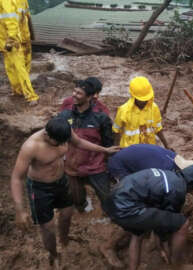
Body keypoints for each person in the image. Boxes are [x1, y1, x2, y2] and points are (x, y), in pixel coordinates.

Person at [10, 117, 119, 267]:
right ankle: (54, 254)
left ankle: (64, 240)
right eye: (58, 142)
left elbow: (79, 142)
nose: (62, 145)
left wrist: (104, 150)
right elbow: (16, 178)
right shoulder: (31, 147)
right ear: (47, 136)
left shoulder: (64, 132)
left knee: (67, 214)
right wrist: (19, 210)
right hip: (40, 188)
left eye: (64, 142)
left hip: (61, 181)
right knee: (48, 228)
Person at [100, 144, 193, 267]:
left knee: (145, 213)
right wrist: (162, 243)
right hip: (120, 167)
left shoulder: (175, 160)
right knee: (135, 213)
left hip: (131, 169)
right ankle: (109, 246)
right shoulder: (165, 170)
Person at [58, 77, 114, 212]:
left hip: (96, 166)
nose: (74, 95)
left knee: (107, 198)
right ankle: (83, 206)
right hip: (72, 167)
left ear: (89, 97)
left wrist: (107, 163)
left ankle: (111, 215)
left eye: (78, 93)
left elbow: (108, 143)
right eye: (74, 91)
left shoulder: (101, 118)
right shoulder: (65, 115)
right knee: (77, 199)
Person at [113, 76, 170, 149]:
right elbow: (116, 131)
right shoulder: (123, 110)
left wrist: (167, 145)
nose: (144, 101)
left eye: (146, 99)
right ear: (133, 96)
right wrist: (116, 150)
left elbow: (158, 129)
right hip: (129, 149)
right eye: (141, 99)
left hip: (149, 148)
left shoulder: (154, 108)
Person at [0, 0, 39, 105]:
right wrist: (30, 34)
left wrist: (11, 40)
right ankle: (18, 90)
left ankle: (31, 96)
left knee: (18, 68)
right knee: (13, 67)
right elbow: (27, 15)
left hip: (11, 40)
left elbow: (10, 20)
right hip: (22, 35)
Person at [14, 0, 34, 72]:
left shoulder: (23, 1)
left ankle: (25, 78)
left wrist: (32, 34)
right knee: (18, 61)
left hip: (24, 35)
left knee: (26, 58)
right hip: (15, 37)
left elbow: (28, 16)